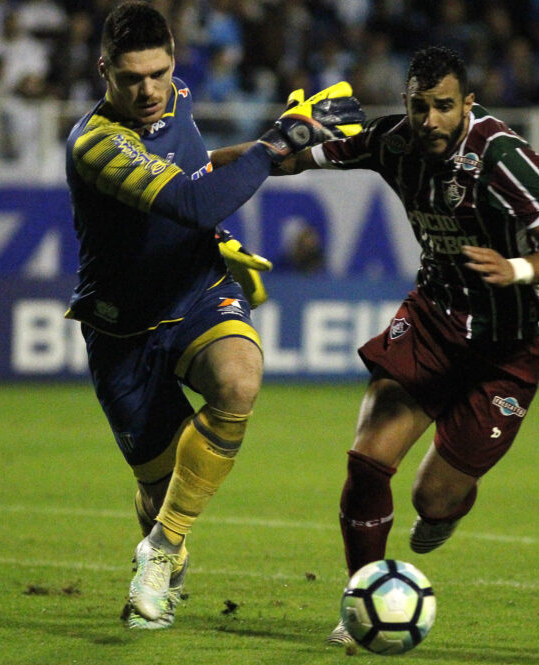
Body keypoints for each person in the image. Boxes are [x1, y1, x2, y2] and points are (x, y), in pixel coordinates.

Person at [63, 1, 363, 630]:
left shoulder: (180, 101)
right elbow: (194, 204)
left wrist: (275, 149)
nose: (149, 90)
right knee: (159, 486)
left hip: (198, 288)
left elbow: (201, 170)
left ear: (174, 58)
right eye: (132, 78)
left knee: (239, 379)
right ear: (104, 71)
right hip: (122, 328)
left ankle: (162, 550)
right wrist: (279, 139)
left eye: (159, 72)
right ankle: (165, 545)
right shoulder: (97, 144)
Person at [276, 45, 539, 645]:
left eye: (444, 107)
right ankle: (361, 599)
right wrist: (193, 170)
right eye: (419, 106)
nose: (431, 121)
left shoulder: (503, 157)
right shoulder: (394, 142)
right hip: (436, 317)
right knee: (368, 462)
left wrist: (518, 269)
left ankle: (445, 512)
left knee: (435, 496)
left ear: (467, 104)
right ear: (406, 104)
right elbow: (288, 161)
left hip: (511, 341)